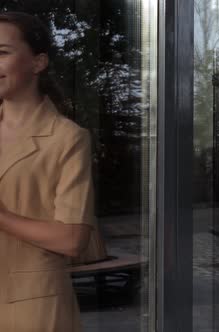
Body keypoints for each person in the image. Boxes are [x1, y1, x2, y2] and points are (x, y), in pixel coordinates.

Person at [0, 12, 96, 332]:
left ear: (38, 62)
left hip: (33, 311)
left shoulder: (67, 138)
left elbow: (72, 239)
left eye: (2, 53)